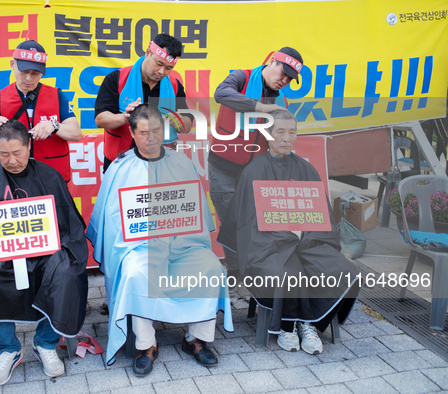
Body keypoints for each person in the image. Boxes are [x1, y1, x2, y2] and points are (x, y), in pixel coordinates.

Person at [87, 104, 232, 376]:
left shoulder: (182, 163)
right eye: (143, 132)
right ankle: (145, 345)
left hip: (183, 243)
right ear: (132, 132)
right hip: (138, 246)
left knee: (211, 267)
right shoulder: (120, 168)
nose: (151, 138)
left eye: (156, 131)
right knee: (136, 271)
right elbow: (112, 222)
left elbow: (196, 213)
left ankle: (195, 340)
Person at [217, 110, 360, 355]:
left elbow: (322, 218)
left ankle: (310, 324)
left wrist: (302, 236)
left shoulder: (307, 170)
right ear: (268, 135)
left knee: (343, 270)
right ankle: (287, 327)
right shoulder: (254, 171)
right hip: (269, 245)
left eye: (292, 132)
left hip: (309, 242)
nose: (286, 138)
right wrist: (282, 237)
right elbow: (246, 225)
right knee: (287, 272)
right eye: (280, 132)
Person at [0, 120, 88, 385]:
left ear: (29, 146)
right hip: (1, 254)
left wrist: (57, 245)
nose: (12, 160)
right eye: (3, 154)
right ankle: (7, 349)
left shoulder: (49, 176)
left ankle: (46, 343)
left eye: (17, 152)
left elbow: (69, 225)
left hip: (45, 253)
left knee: (65, 272)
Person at [210, 47, 304, 285]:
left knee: (255, 226)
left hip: (255, 172)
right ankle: (235, 276)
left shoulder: (280, 100)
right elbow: (221, 93)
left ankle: (253, 276)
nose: (284, 81)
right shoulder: (241, 77)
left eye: (290, 79)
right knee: (229, 225)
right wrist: (260, 108)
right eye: (283, 73)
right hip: (223, 169)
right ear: (272, 62)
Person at [0, 40, 81, 182]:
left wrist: (54, 125)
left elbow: (76, 133)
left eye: (35, 73)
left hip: (51, 174)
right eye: (24, 72)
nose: (29, 78)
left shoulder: (57, 95)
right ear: (13, 65)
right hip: (13, 175)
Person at [94, 33, 193, 172]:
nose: (161, 71)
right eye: (159, 64)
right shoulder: (117, 79)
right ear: (147, 53)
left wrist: (178, 120)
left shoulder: (174, 86)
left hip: (160, 162)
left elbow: (187, 125)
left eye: (168, 68)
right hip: (120, 160)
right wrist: (124, 117)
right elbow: (100, 119)